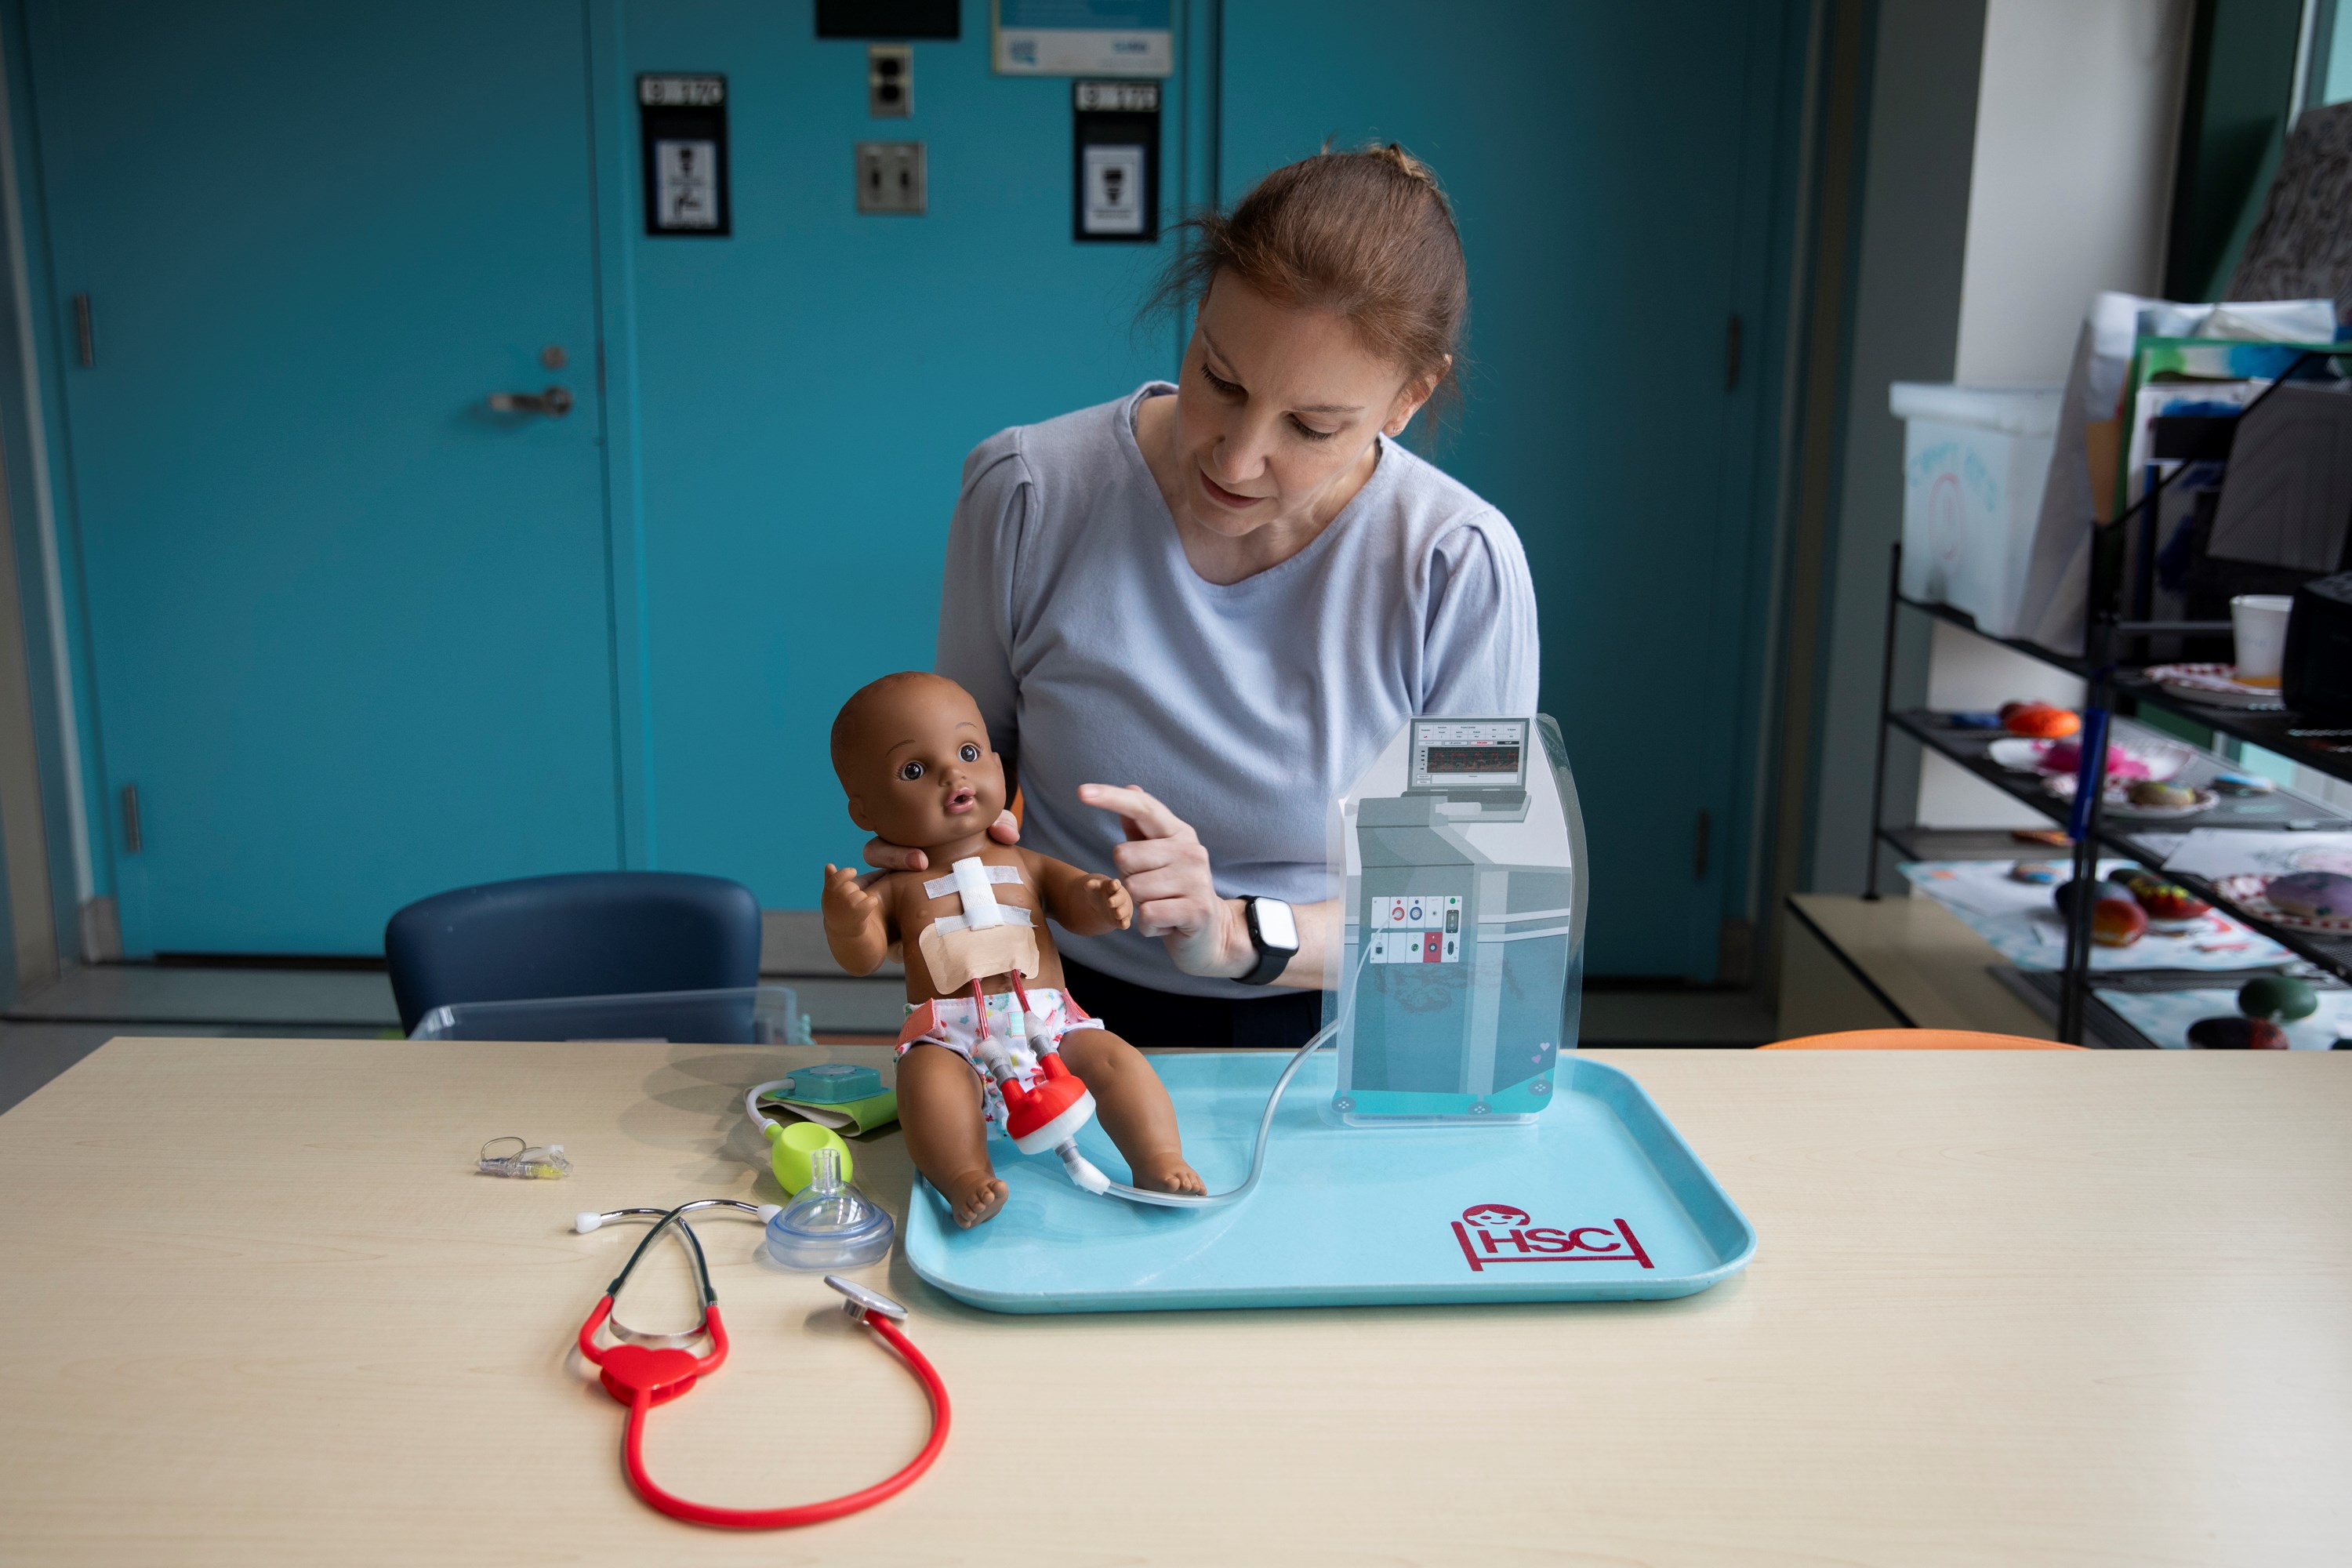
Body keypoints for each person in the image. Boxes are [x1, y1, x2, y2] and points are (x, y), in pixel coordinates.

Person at [869, 145, 1540, 1051]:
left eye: (1310, 426)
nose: (1234, 458)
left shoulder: (1460, 568)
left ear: (1407, 399)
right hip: (1051, 1002)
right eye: (1220, 380)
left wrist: (1234, 932)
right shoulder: (1027, 494)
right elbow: (973, 776)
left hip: (1324, 1023)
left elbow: (1464, 908)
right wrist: (929, 836)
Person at [822, 672, 1200, 1228]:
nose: (952, 773)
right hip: (950, 1039)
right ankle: (964, 1177)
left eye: (968, 751)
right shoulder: (897, 888)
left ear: (998, 769)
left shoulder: (1027, 863)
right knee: (929, 1084)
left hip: (1047, 1021)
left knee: (1116, 1058)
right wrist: (848, 921)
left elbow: (1073, 903)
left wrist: (1099, 898)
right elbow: (863, 957)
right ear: (866, 813)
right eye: (913, 770)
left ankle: (1159, 1158)